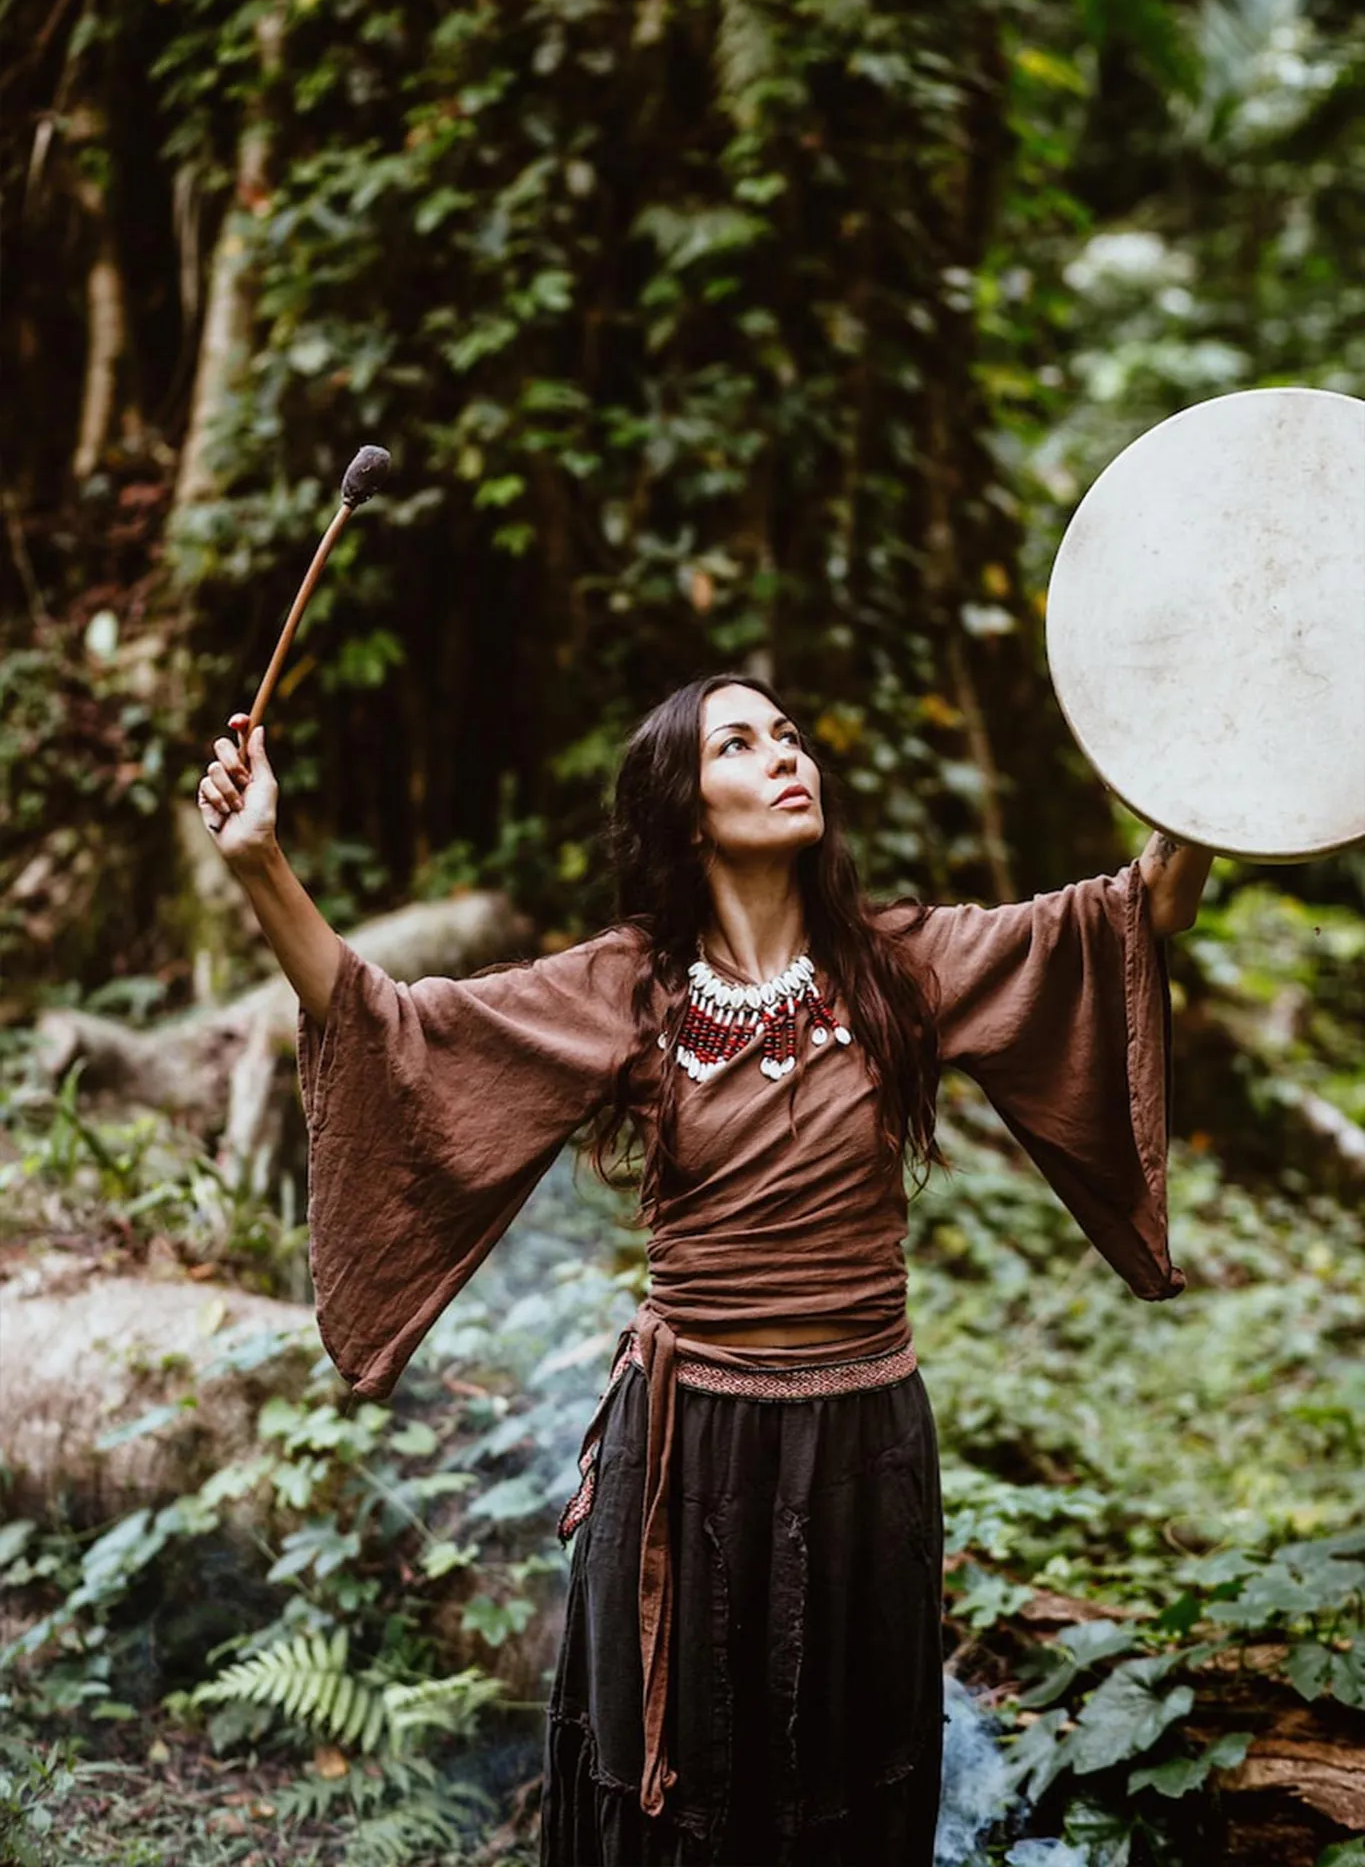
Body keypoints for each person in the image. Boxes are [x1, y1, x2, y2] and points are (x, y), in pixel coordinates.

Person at [196, 674, 1213, 1867]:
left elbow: (1132, 916)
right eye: (741, 742)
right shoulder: (627, 986)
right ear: (688, 808)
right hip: (686, 1451)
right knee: (674, 1802)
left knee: (844, 1778)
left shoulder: (902, 962)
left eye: (790, 735)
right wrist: (261, 861)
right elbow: (394, 1031)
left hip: (863, 1445)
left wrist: (1208, 766)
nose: (787, 756)